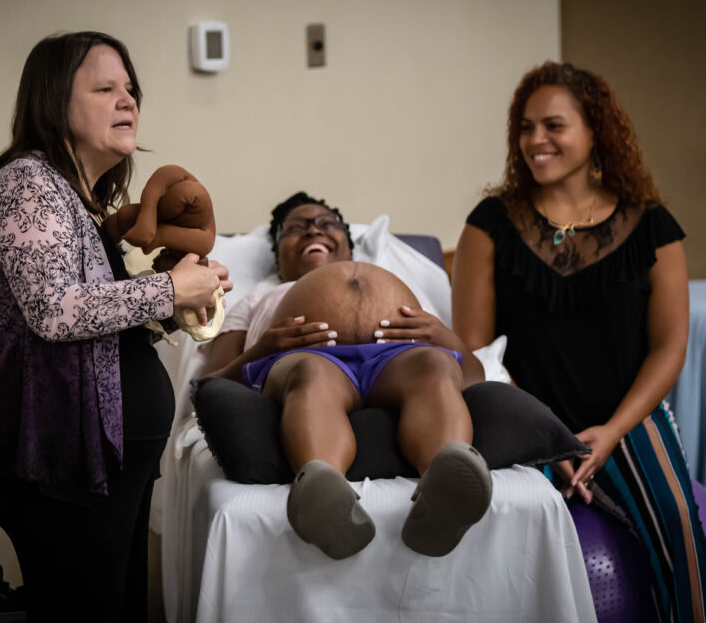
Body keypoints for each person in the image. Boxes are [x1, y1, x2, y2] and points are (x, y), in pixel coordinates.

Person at [0, 31, 231, 621]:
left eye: (131, 89)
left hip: (104, 463)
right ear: (54, 100)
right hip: (61, 465)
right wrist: (168, 289)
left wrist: (181, 299)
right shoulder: (28, 185)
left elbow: (98, 322)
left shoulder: (77, 198)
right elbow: (54, 310)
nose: (128, 100)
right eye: (105, 88)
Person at [452, 61, 706, 621]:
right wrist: (546, 436)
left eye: (554, 126)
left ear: (596, 131)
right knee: (502, 550)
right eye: (526, 127)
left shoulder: (652, 225)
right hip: (522, 419)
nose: (536, 140)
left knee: (681, 533)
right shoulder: (489, 223)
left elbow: (669, 347)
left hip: (627, 418)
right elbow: (475, 349)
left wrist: (613, 431)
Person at [201, 192, 492, 560]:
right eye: (296, 228)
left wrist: (443, 337)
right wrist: (264, 349)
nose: (313, 231)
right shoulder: (255, 298)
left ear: (350, 247)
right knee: (310, 376)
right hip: (308, 358)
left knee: (435, 367)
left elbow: (473, 373)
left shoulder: (401, 283)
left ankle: (446, 488)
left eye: (327, 224)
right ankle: (325, 495)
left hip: (399, 359)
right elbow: (213, 382)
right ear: (277, 255)